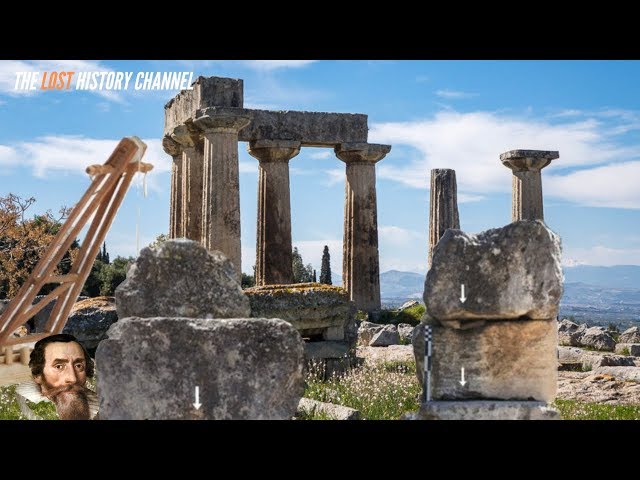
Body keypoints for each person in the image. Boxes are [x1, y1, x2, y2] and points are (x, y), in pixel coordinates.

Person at [17, 333, 99, 420]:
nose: (73, 378)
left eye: (78, 366)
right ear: (38, 375)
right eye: (59, 366)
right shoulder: (24, 401)